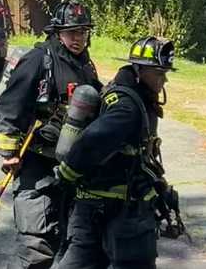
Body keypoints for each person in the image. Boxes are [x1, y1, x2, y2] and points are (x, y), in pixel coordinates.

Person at [0, 0, 102, 269]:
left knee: (70, 238)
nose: (78, 38)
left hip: (73, 166)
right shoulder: (38, 60)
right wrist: (9, 154)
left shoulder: (85, 64)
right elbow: (9, 105)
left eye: (83, 32)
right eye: (72, 32)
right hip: (37, 161)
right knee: (36, 244)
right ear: (57, 32)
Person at [54, 36, 176, 269]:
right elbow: (93, 141)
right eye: (159, 73)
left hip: (95, 209)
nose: (164, 79)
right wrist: (68, 173)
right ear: (139, 70)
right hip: (119, 213)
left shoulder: (124, 93)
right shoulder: (127, 107)